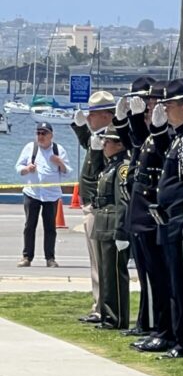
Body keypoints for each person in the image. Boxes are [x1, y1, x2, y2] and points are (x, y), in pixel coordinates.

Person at [148, 78, 183, 359]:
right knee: (173, 283)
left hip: (182, 220)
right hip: (168, 219)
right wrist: (157, 130)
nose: (165, 109)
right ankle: (177, 338)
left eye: (169, 105)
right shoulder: (177, 138)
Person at [124, 81, 174, 347]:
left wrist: (155, 128)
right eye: (151, 101)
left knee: (159, 276)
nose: (153, 105)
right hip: (142, 210)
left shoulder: (169, 134)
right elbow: (136, 144)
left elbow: (163, 155)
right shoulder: (154, 133)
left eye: (157, 101)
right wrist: (132, 119)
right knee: (149, 275)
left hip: (154, 211)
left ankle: (161, 328)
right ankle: (152, 325)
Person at [72, 90, 115, 323]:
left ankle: (103, 307)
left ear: (107, 115)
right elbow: (87, 144)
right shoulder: (99, 136)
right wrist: (80, 128)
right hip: (91, 205)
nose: (89, 118)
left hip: (99, 207)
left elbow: (103, 172)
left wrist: (97, 148)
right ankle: (99, 305)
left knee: (101, 262)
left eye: (93, 114)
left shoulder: (111, 138)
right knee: (96, 262)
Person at [91, 126, 131, 331]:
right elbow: (92, 178)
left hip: (113, 224)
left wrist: (121, 230)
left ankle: (117, 317)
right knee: (106, 274)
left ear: (119, 144)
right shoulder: (109, 166)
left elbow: (123, 201)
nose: (104, 145)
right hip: (102, 223)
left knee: (114, 274)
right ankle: (107, 315)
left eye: (107, 142)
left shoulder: (122, 167)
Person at [16, 121, 72, 267]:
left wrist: (60, 162)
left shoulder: (58, 150)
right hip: (32, 193)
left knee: (50, 228)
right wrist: (27, 169)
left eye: (44, 133)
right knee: (29, 226)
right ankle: (27, 257)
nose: (40, 136)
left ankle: (50, 258)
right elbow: (18, 167)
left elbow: (67, 174)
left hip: (51, 195)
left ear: (51, 135)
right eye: (38, 133)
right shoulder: (30, 148)